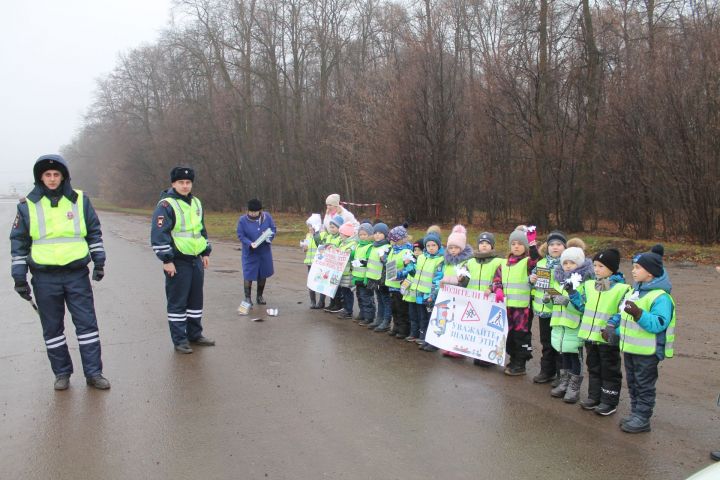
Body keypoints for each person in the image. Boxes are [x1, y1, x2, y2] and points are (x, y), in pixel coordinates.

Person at [10, 154, 110, 390]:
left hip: (76, 275)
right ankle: (62, 373)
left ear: (63, 176)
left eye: (56, 174)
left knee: (87, 326)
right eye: (47, 175)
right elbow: (19, 243)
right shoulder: (27, 206)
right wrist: (19, 278)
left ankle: (94, 373)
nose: (52, 179)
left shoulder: (80, 200)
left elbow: (93, 232)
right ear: (40, 177)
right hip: (44, 278)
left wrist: (99, 261)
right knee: (53, 329)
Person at [603, 244, 675, 433]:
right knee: (633, 382)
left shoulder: (661, 297)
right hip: (631, 347)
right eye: (633, 267)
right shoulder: (634, 291)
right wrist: (613, 329)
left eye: (637, 268)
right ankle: (636, 413)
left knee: (644, 385)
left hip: (648, 351)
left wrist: (639, 314)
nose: (633, 271)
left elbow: (659, 323)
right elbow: (624, 317)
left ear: (650, 273)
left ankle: (643, 418)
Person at [151, 167, 215, 354]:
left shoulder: (196, 203)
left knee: (196, 300)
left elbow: (201, 230)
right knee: (178, 302)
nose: (185, 186)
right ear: (173, 184)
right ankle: (180, 340)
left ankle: (195, 334)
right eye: (181, 182)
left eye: (188, 182)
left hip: (195, 259)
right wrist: (166, 259)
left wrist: (205, 252)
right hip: (177, 261)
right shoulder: (166, 205)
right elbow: (159, 234)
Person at [572, 248, 630, 416]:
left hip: (606, 338)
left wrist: (612, 326)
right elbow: (582, 306)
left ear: (612, 269)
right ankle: (594, 396)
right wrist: (572, 293)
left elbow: (622, 312)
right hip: (590, 337)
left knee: (609, 370)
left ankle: (609, 401)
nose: (596, 269)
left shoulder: (622, 289)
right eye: (595, 265)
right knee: (594, 368)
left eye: (601, 266)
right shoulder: (590, 285)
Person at [545, 242, 593, 403]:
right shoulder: (557, 281)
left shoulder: (583, 284)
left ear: (579, 264)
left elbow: (581, 308)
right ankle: (564, 382)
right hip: (559, 324)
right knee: (563, 355)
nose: (567, 266)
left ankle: (574, 387)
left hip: (574, 326)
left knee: (575, 357)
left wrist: (567, 302)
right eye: (565, 262)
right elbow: (554, 305)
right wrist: (548, 300)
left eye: (572, 262)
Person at [529, 231, 567, 384]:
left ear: (564, 247)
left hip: (560, 311)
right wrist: (531, 279)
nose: (555, 247)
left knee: (559, 343)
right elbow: (534, 280)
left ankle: (560, 374)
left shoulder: (567, 264)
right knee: (546, 342)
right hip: (544, 311)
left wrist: (551, 293)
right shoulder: (541, 263)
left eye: (558, 244)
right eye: (551, 244)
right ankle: (546, 371)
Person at [461, 231, 504, 367]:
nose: (484, 246)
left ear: (492, 246)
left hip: (490, 301)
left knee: (489, 331)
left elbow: (501, 279)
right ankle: (477, 353)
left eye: (487, 243)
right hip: (473, 302)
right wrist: (461, 279)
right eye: (481, 243)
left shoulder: (499, 262)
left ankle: (488, 356)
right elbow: (464, 280)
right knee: (476, 329)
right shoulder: (470, 262)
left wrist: (491, 288)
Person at [501, 226, 539, 375]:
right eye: (513, 244)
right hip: (507, 307)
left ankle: (520, 363)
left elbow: (536, 260)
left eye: (520, 244)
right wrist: (497, 289)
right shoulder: (504, 264)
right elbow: (497, 279)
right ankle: (513, 359)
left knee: (520, 336)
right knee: (509, 335)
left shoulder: (527, 262)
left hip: (522, 309)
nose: (516, 247)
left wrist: (532, 244)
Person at [399, 232, 445, 352]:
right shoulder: (421, 257)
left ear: (438, 246)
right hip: (419, 293)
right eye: (428, 245)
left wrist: (432, 295)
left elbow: (438, 279)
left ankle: (432, 341)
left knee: (430, 318)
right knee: (421, 317)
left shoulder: (440, 260)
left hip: (429, 295)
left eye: (434, 245)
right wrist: (408, 265)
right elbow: (415, 273)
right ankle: (424, 337)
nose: (431, 248)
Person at [439, 225, 474, 357]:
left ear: (462, 247)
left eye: (456, 248)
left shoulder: (467, 261)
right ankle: (449, 345)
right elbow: (443, 274)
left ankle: (459, 348)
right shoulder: (447, 261)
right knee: (449, 319)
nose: (453, 250)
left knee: (459, 321)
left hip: (460, 295)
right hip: (448, 293)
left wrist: (461, 280)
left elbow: (467, 279)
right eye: (451, 248)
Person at [237, 198, 277, 306]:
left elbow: (273, 229)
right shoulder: (242, 220)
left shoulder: (267, 217)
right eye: (251, 212)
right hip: (250, 252)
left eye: (256, 212)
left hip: (264, 251)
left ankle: (259, 296)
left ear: (260, 211)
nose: (253, 214)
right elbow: (241, 235)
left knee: (262, 273)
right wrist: (250, 243)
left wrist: (269, 236)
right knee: (248, 274)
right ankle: (247, 298)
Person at [385, 225, 413, 339]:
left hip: (400, 285)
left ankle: (404, 329)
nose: (392, 241)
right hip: (391, 284)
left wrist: (400, 274)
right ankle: (396, 326)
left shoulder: (406, 251)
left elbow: (409, 268)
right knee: (394, 308)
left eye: (394, 239)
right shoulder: (393, 250)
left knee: (402, 309)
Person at [366, 223, 392, 332]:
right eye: (375, 233)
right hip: (374, 279)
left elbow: (388, 262)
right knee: (379, 299)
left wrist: (383, 258)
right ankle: (379, 319)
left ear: (385, 235)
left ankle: (386, 321)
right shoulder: (373, 246)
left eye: (380, 233)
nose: (377, 235)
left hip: (382, 279)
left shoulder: (387, 247)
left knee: (386, 300)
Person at [352, 223, 376, 325]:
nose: (362, 237)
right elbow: (354, 257)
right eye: (360, 235)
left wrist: (367, 278)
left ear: (370, 235)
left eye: (365, 235)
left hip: (365, 278)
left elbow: (369, 263)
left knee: (367, 298)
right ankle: (362, 313)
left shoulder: (370, 247)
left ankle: (369, 316)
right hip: (357, 277)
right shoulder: (357, 246)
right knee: (360, 296)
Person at [335, 222, 358, 319]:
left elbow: (351, 254)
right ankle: (345, 308)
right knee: (344, 291)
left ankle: (349, 310)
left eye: (341, 233)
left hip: (348, 272)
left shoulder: (352, 244)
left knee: (348, 292)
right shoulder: (342, 243)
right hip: (342, 272)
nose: (340, 235)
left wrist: (349, 253)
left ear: (346, 234)